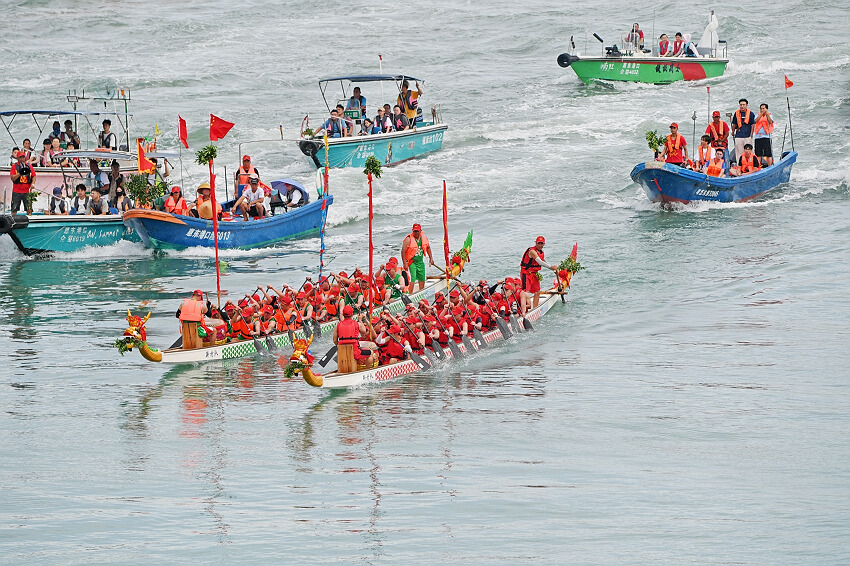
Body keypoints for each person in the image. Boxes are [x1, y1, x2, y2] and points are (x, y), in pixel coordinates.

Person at [520, 236, 557, 312]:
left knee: (537, 292)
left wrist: (553, 268)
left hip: (534, 274)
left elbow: (543, 261)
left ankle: (535, 310)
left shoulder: (540, 252)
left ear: (544, 244)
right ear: (535, 243)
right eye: (538, 243)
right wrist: (551, 267)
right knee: (525, 292)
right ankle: (523, 311)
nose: (540, 245)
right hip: (526, 274)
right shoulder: (532, 251)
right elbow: (540, 262)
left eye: (542, 243)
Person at [334, 305, 375, 373]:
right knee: (371, 353)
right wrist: (360, 320)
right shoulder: (357, 324)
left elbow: (335, 340)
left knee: (340, 355)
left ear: (343, 314)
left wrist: (341, 346)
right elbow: (364, 332)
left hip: (342, 352)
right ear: (352, 314)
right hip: (355, 352)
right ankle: (366, 372)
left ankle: (342, 370)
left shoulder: (337, 325)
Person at [401, 223, 436, 292]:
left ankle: (421, 292)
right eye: (414, 231)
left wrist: (431, 258)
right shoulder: (408, 239)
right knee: (413, 278)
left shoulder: (423, 238)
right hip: (412, 262)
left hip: (420, 261)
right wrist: (405, 263)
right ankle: (410, 294)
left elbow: (428, 248)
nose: (416, 233)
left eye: (417, 231)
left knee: (422, 278)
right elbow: (403, 251)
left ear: (420, 231)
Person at [731, 98, 757, 165]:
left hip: (747, 135)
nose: (742, 106)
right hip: (738, 136)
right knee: (739, 152)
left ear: (746, 105)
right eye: (741, 105)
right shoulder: (736, 113)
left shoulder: (751, 113)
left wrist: (751, 134)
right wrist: (733, 131)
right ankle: (740, 166)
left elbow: (753, 124)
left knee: (749, 152)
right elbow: (734, 123)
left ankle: (751, 165)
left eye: (743, 105)